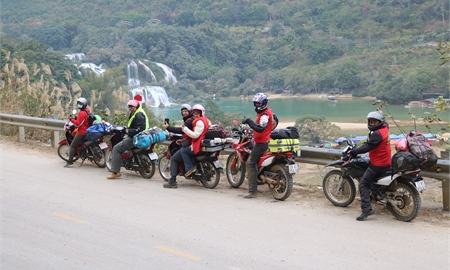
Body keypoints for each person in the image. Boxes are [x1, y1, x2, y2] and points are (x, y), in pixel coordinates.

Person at [348, 111, 391, 221]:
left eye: (374, 122)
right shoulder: (385, 129)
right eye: (370, 122)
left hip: (378, 164)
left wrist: (354, 151)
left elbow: (368, 146)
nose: (372, 124)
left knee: (363, 184)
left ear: (380, 122)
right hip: (387, 161)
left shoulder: (377, 134)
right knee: (372, 182)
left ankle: (366, 209)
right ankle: (376, 195)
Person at [241, 93, 274, 199]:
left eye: (259, 103)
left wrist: (249, 121)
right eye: (256, 103)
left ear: (264, 103)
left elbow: (260, 128)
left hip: (262, 143)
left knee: (250, 163)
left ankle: (252, 191)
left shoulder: (264, 115)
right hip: (266, 140)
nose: (257, 105)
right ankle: (260, 178)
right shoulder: (267, 112)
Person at [107, 99, 149, 179]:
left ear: (136, 107)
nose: (130, 109)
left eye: (132, 107)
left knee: (116, 149)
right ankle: (145, 166)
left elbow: (139, 129)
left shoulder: (138, 115)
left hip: (136, 137)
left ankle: (115, 172)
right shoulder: (139, 112)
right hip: (143, 136)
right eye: (129, 107)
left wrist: (127, 130)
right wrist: (128, 129)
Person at [163, 104, 194, 189]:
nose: (184, 113)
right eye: (183, 111)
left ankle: (172, 181)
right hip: (191, 142)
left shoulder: (189, 121)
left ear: (190, 111)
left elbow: (182, 130)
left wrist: (168, 127)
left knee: (174, 159)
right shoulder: (192, 120)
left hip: (190, 145)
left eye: (186, 111)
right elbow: (186, 132)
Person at [179, 104, 209, 179]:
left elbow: (195, 135)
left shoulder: (199, 122)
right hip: (200, 142)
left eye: (197, 113)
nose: (195, 114)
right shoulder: (204, 119)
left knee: (184, 151)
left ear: (201, 113)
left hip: (198, 144)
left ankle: (190, 168)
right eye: (194, 113)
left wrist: (185, 129)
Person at [64, 97, 90, 167]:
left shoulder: (81, 113)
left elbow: (78, 124)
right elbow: (83, 120)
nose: (79, 105)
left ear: (84, 104)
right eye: (78, 103)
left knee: (73, 146)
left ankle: (70, 161)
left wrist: (71, 119)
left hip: (82, 131)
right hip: (87, 129)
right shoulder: (87, 111)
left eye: (80, 104)